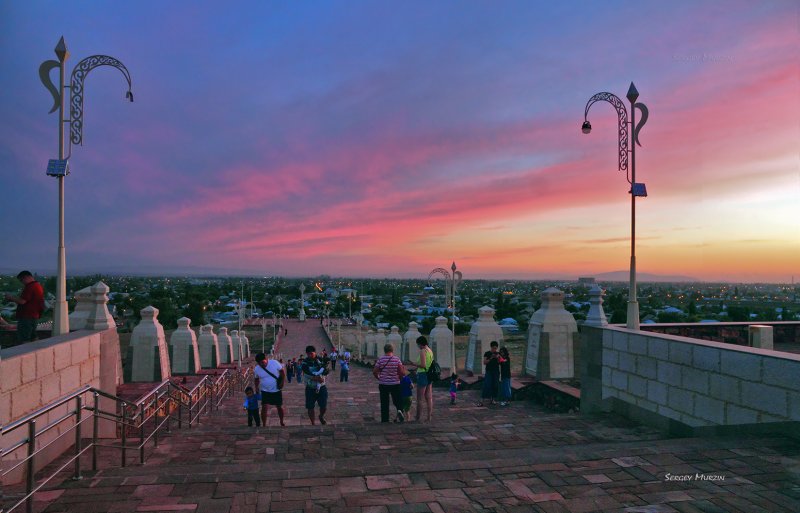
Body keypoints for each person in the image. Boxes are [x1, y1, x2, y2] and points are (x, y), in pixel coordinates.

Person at [5, 271, 45, 343]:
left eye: (21, 280)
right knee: (33, 336)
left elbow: (22, 301)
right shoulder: (38, 285)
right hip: (34, 316)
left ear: (26, 277)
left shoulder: (30, 286)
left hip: (26, 316)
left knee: (24, 338)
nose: (22, 282)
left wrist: (10, 297)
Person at [373, 343, 406, 423]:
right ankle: (399, 410)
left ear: (384, 350)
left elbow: (375, 371)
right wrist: (399, 378)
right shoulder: (397, 359)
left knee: (384, 402)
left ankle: (385, 419)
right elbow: (402, 372)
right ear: (392, 350)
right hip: (395, 383)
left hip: (384, 384)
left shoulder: (381, 359)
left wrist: (379, 378)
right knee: (398, 399)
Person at [253, 352, 286, 427]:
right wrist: (256, 388)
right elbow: (256, 379)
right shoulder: (257, 369)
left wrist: (282, 382)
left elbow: (282, 372)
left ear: (266, 359)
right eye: (260, 363)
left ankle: (281, 421)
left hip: (276, 390)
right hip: (265, 391)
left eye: (263, 362)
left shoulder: (274, 363)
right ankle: (264, 424)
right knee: (264, 407)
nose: (262, 364)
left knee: (279, 407)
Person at [301, 345, 329, 425]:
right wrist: (315, 377)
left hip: (321, 386)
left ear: (315, 352)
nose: (310, 355)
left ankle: (321, 416)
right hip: (310, 387)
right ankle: (313, 423)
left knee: (324, 405)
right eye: (308, 354)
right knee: (310, 407)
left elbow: (326, 370)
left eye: (311, 354)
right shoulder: (305, 362)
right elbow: (306, 372)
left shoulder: (321, 360)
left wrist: (324, 374)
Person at [410, 336, 434, 422]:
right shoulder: (430, 350)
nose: (418, 346)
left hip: (423, 374)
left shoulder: (422, 351)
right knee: (429, 397)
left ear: (420, 344)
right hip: (429, 374)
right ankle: (429, 417)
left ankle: (418, 417)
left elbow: (423, 365)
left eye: (418, 344)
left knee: (420, 398)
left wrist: (414, 364)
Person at [477, 341, 500, 406]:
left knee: (495, 385)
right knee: (487, 385)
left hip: (496, 372)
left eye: (495, 348)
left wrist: (498, 357)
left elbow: (500, 362)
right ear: (491, 347)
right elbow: (485, 362)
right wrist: (491, 358)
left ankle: (493, 399)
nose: (494, 349)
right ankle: (482, 400)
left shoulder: (498, 354)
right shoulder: (487, 353)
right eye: (493, 348)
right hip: (489, 371)